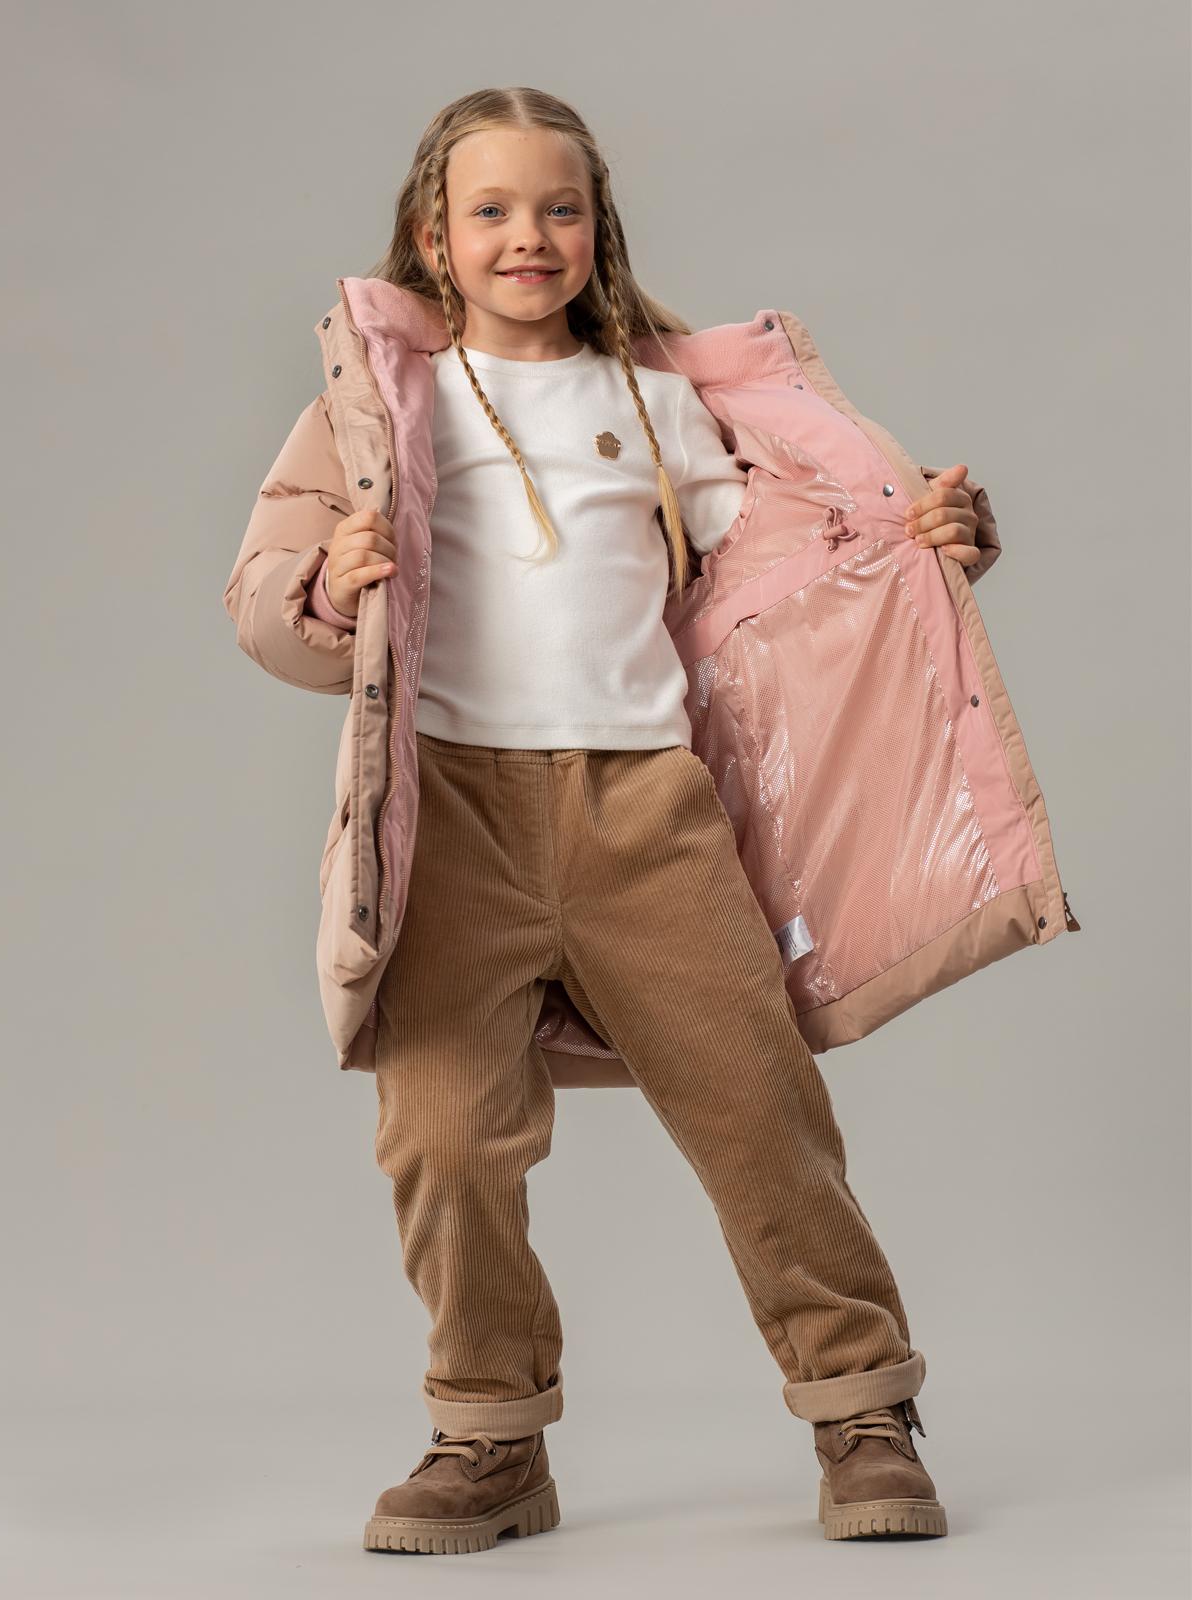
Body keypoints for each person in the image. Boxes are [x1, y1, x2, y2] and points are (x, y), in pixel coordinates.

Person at [224, 86, 1040, 1555]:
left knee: (760, 1110)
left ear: (598, 230)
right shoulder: (378, 404)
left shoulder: (663, 404)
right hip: (453, 811)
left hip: (645, 808)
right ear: (434, 235)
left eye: (560, 207)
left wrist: (930, 540)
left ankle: (862, 1408)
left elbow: (804, 571)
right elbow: (267, 604)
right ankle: (489, 1439)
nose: (527, 236)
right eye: (490, 210)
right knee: (442, 1139)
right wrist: (332, 585)